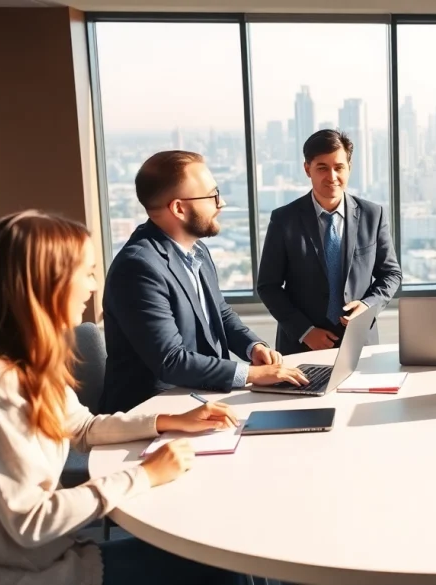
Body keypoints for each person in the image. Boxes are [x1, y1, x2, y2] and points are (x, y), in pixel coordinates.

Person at [0, 211, 244, 585]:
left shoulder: (25, 363)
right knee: (220, 569)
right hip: (32, 575)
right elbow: (31, 523)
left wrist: (167, 422)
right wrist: (145, 475)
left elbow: (81, 426)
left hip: (54, 556)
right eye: (87, 271)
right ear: (46, 284)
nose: (94, 285)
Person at [102, 151, 307, 414]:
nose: (221, 204)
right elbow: (172, 361)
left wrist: (252, 346)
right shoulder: (138, 268)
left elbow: (219, 313)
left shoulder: (195, 250)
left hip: (199, 399)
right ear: (178, 208)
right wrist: (253, 374)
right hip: (154, 414)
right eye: (212, 196)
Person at [258, 129, 402, 355]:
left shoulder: (373, 215)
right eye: (322, 168)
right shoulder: (284, 219)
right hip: (301, 346)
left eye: (339, 167)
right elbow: (268, 286)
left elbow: (391, 274)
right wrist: (305, 331)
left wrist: (367, 306)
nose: (332, 176)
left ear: (349, 167)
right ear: (307, 169)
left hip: (359, 342)